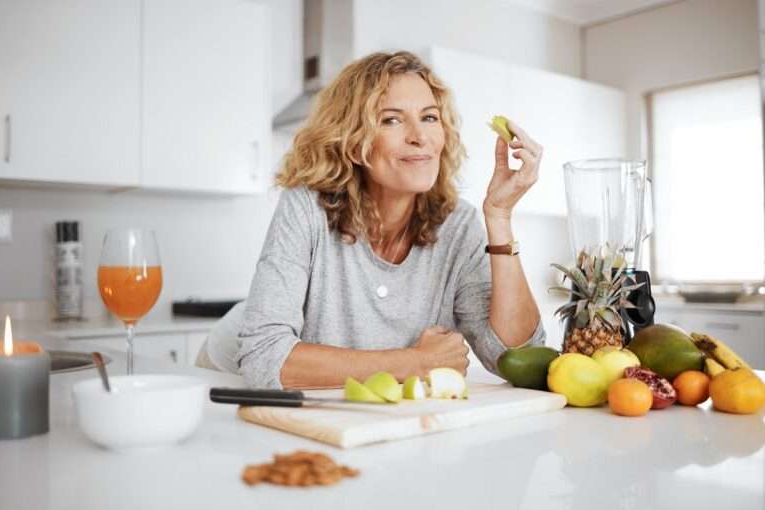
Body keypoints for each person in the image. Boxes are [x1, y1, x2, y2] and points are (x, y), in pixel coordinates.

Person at [197, 51, 545, 389]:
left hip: (343, 397)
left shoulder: (458, 225)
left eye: (429, 117)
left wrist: (499, 218)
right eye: (391, 119)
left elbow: (518, 358)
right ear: (352, 142)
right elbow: (263, 359)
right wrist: (413, 363)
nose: (419, 136)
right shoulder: (306, 207)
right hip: (228, 375)